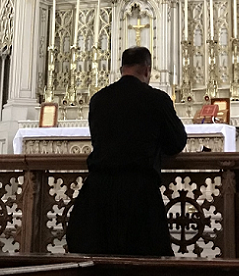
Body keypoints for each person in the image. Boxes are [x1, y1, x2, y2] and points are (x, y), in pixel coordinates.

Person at [67, 46, 187, 257]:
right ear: (147, 70)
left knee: (97, 262)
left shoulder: (99, 99)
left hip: (97, 192)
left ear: (122, 68)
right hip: (138, 193)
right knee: (143, 264)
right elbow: (176, 142)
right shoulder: (157, 99)